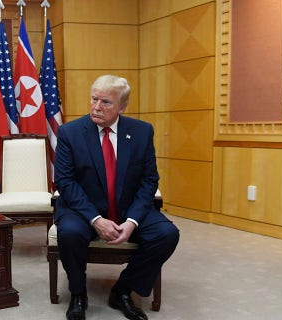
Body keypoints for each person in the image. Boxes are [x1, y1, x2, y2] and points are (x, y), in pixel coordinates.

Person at [54, 75, 180, 320]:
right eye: (93, 99)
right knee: (69, 232)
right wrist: (96, 219)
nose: (96, 107)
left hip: (127, 208)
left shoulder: (142, 132)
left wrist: (132, 220)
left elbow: (148, 180)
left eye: (106, 102)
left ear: (122, 107)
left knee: (166, 235)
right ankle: (78, 293)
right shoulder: (70, 133)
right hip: (83, 209)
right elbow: (65, 182)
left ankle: (123, 290)